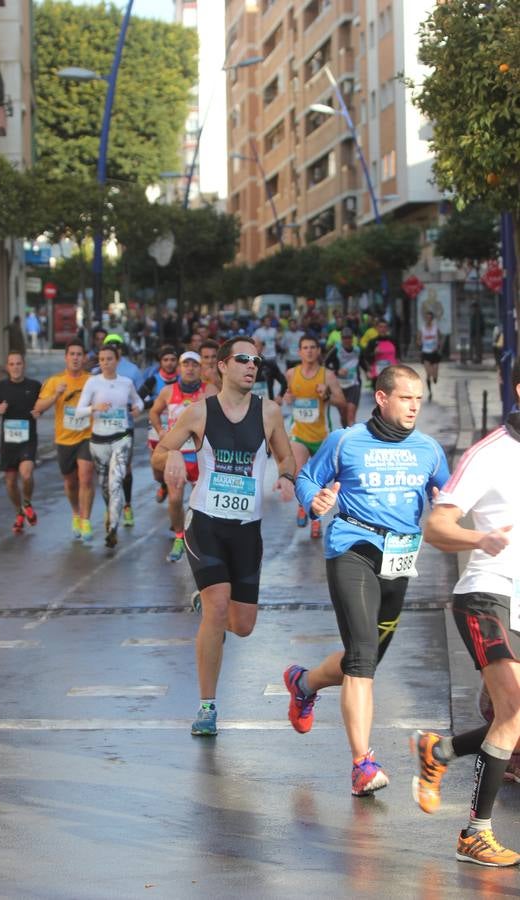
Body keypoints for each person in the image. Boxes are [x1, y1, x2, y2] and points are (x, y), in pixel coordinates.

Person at [285, 365, 449, 796]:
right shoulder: (346, 441)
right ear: (381, 398)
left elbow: (449, 497)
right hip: (353, 548)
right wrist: (312, 498)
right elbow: (306, 477)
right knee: (361, 658)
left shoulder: (429, 450)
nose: (414, 406)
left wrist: (448, 506)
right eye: (405, 398)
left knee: (367, 658)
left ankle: (304, 683)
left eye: (418, 399)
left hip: (399, 558)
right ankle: (362, 764)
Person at [151, 336, 296, 736]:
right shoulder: (198, 413)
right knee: (216, 610)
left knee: (243, 624)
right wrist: (176, 453)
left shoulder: (268, 412)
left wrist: (285, 476)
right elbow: (159, 452)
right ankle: (207, 707)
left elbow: (285, 456)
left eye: (257, 361)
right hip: (208, 525)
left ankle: (208, 608)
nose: (253, 366)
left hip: (247, 530)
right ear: (224, 366)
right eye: (244, 359)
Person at [410, 358, 520, 867]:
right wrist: (482, 538)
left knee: (515, 717)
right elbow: (437, 527)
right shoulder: (489, 453)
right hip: (485, 593)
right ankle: (475, 833)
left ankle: (439, 753)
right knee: (512, 710)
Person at [149, 351, 216, 562]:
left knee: (202, 503)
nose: (190, 368)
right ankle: (179, 536)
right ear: (179, 368)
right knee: (176, 499)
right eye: (185, 364)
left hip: (200, 456)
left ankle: (200, 540)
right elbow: (153, 412)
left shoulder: (210, 390)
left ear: (200, 369)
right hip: (176, 455)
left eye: (194, 365)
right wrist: (160, 430)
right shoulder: (169, 391)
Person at [75, 344, 144, 548]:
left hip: (121, 437)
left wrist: (136, 409)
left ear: (117, 360)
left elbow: (139, 402)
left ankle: (112, 527)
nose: (105, 363)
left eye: (109, 359)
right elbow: (79, 411)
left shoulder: (126, 382)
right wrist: (94, 407)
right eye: (102, 359)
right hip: (98, 440)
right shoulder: (93, 382)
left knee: (116, 482)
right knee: (105, 485)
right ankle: (111, 514)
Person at [284, 334, 346, 539]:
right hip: (299, 434)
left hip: (321, 436)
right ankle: (304, 506)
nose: (309, 351)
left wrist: (327, 393)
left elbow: (341, 401)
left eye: (313, 347)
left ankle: (316, 518)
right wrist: (287, 397)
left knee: (318, 481)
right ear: (300, 351)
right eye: (305, 347)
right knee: (299, 474)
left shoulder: (327, 376)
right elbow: (285, 395)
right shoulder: (291, 374)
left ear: (318, 351)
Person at [33, 339, 95, 541]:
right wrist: (56, 395)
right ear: (66, 357)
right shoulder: (55, 381)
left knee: (85, 477)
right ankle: (76, 513)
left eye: (79, 354)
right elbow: (39, 407)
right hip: (65, 438)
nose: (76, 358)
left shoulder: (91, 380)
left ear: (84, 358)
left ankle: (86, 520)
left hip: (87, 435)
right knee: (70, 482)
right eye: (72, 354)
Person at [0, 352, 41, 534]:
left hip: (28, 439)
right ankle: (19, 513)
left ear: (23, 365)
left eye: (19, 363)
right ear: (7, 367)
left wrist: (39, 411)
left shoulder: (34, 386)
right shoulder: (0, 388)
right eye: (12, 364)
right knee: (10, 482)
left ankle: (27, 503)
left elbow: (44, 403)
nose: (16, 367)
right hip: (9, 441)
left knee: (26, 474)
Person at [139, 345, 179, 503]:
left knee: (177, 463)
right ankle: (162, 484)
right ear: (160, 362)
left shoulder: (183, 380)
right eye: (166, 360)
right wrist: (156, 403)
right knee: (157, 469)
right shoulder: (153, 380)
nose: (169, 363)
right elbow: (138, 399)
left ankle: (175, 497)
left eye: (172, 360)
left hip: (177, 429)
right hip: (156, 428)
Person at [324, 327, 364, 426]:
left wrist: (368, 371)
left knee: (351, 415)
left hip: (354, 384)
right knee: (343, 415)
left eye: (349, 338)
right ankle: (345, 433)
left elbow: (362, 362)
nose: (347, 340)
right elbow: (325, 365)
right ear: (341, 339)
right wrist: (337, 372)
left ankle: (351, 438)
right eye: (345, 338)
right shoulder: (336, 350)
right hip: (338, 386)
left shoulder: (357, 350)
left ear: (352, 339)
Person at [251, 337, 287, 402]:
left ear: (262, 348)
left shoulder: (270, 364)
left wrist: (280, 396)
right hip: (248, 406)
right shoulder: (242, 366)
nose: (253, 349)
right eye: (250, 346)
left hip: (267, 405)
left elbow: (284, 383)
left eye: (256, 346)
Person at [417, 310, 442, 401]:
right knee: (428, 373)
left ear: (432, 319)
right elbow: (418, 340)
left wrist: (438, 345)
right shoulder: (422, 329)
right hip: (426, 353)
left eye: (430, 318)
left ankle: (435, 378)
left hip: (434, 353)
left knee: (434, 374)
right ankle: (430, 392)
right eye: (427, 318)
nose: (428, 319)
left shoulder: (436, 328)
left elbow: (440, 338)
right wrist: (419, 343)